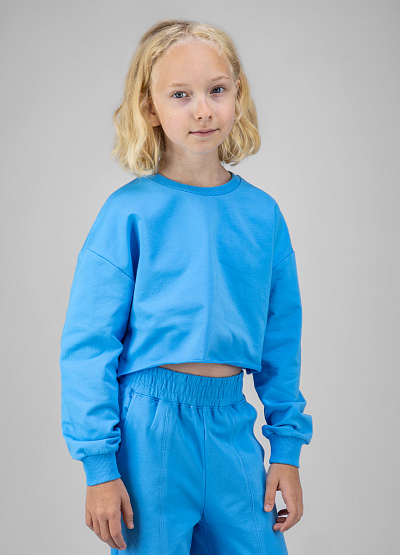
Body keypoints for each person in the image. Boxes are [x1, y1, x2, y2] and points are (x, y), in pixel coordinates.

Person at [59, 18, 313, 554]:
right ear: (150, 108)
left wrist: (286, 450)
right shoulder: (128, 213)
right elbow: (89, 343)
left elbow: (280, 341)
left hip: (230, 421)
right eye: (181, 94)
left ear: (238, 95)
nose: (203, 110)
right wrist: (99, 467)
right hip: (150, 432)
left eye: (217, 90)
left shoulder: (262, 216)